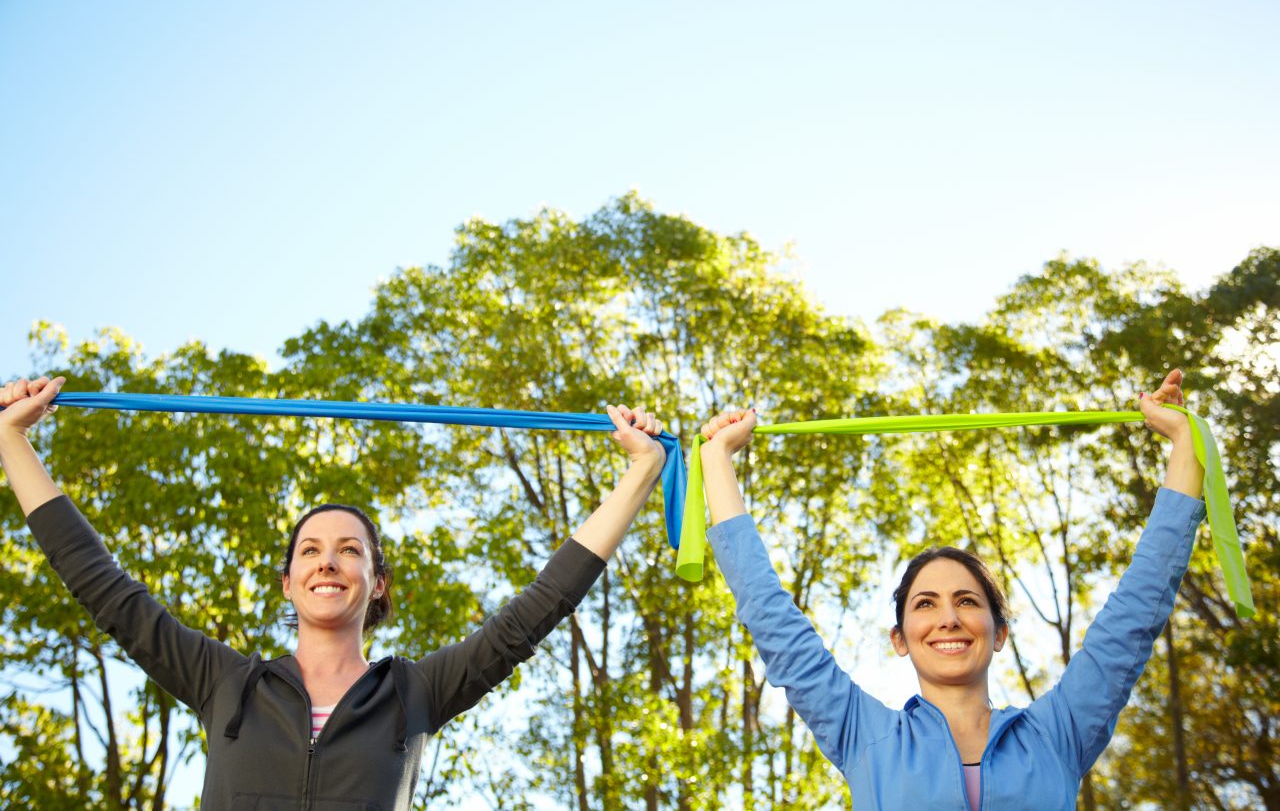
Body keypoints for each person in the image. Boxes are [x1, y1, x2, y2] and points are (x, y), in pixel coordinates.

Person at [0, 374, 667, 810]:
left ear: (376, 582)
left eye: (351, 549)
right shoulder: (225, 683)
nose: (329, 562)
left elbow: (538, 608)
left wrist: (642, 470)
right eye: (311, 550)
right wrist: (12, 441)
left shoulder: (414, 693)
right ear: (288, 582)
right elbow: (102, 586)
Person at [698, 369, 1206, 810]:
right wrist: (717, 456)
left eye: (967, 601)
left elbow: (1136, 612)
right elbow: (769, 614)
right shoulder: (865, 737)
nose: (948, 618)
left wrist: (1185, 444)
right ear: (899, 638)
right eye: (926, 604)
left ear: (999, 631)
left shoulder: (1058, 733)